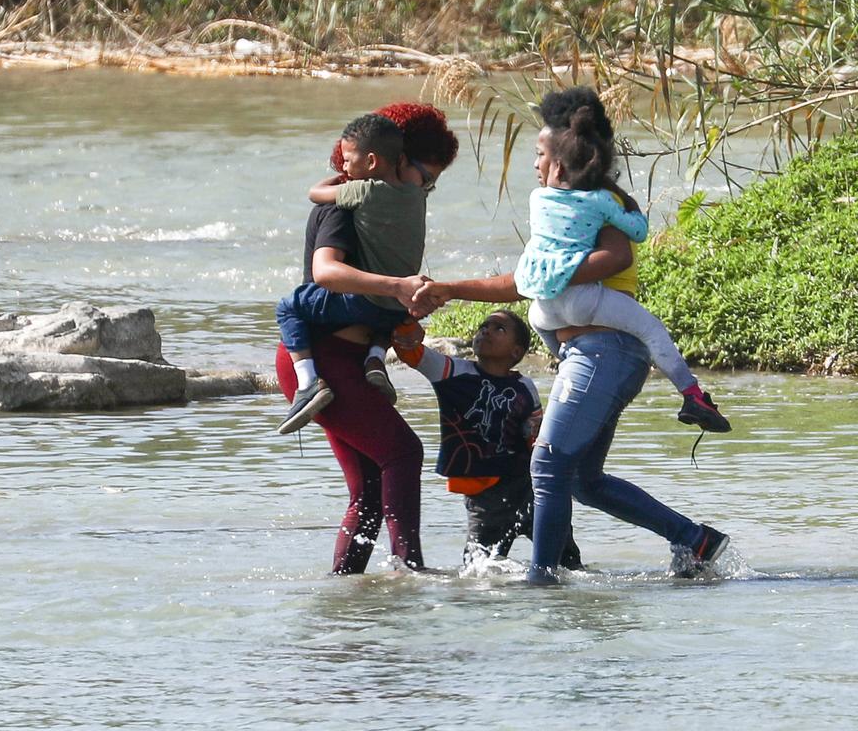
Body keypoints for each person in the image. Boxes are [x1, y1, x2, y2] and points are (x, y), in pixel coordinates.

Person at [413, 88, 729, 585]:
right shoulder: (565, 212)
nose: (535, 165)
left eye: (539, 154)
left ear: (565, 159)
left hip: (606, 349)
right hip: (592, 354)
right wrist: (450, 288)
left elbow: (617, 258)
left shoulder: (601, 205)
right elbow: (524, 282)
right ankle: (695, 540)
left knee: (548, 465)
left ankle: (544, 580)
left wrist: (552, 279)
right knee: (582, 480)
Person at [274, 102, 458, 575]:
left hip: (350, 358)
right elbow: (327, 272)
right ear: (394, 163)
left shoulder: (389, 205)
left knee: (372, 487)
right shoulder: (347, 204)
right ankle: (409, 571)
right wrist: (398, 290)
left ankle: (348, 589)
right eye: (426, 176)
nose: (427, 188)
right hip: (324, 354)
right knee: (403, 452)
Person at [517, 88, 730, 433]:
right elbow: (637, 232)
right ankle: (692, 395)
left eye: (538, 154)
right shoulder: (602, 200)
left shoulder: (537, 197)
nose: (534, 163)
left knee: (539, 320)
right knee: (651, 329)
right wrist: (629, 205)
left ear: (556, 167)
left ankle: (564, 360)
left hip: (543, 308)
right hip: (585, 301)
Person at [392, 310, 584, 570]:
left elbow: (535, 436)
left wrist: (550, 458)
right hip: (484, 495)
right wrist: (405, 321)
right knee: (477, 569)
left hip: (529, 488)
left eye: (498, 329)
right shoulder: (451, 371)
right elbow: (412, 353)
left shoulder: (524, 386)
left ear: (516, 353)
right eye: (484, 325)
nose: (486, 330)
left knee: (567, 561)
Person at [275, 113, 427, 434]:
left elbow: (314, 193)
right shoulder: (417, 195)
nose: (344, 168)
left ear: (371, 161)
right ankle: (375, 358)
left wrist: (339, 181)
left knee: (289, 306)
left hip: (369, 303)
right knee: (381, 313)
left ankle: (307, 383)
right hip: (396, 313)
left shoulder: (364, 192)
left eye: (347, 160)